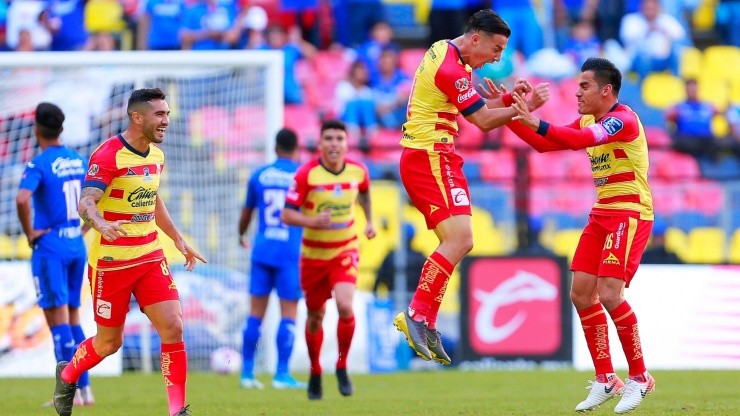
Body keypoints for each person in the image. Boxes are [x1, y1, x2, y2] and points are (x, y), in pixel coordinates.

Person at [393, 8, 548, 366]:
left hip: (437, 156)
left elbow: (475, 107)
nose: (498, 58)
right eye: (496, 49)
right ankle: (416, 315)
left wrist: (510, 100)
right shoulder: (451, 67)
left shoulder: (447, 54)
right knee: (459, 240)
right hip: (428, 157)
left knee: (459, 241)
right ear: (475, 38)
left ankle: (426, 319)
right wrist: (523, 108)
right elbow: (482, 121)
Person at [505, 57, 655, 414]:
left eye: (584, 86)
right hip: (602, 212)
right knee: (581, 293)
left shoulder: (624, 119)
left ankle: (640, 377)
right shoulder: (590, 119)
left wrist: (534, 119)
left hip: (629, 212)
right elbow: (547, 144)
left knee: (608, 293)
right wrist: (509, 116)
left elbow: (577, 139)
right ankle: (606, 378)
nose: (577, 92)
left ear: (607, 90)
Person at [52, 88, 206, 416]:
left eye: (167, 114)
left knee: (173, 327)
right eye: (160, 115)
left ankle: (178, 411)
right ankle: (67, 376)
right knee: (109, 343)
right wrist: (99, 221)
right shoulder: (108, 155)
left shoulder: (156, 156)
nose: (167, 120)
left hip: (150, 256)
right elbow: (87, 200)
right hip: (112, 264)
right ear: (137, 118)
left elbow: (153, 197)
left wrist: (177, 238)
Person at [281, 119, 376, 401]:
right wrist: (312, 220)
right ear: (320, 143)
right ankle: (314, 370)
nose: (334, 144)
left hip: (345, 250)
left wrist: (368, 221)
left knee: (346, 305)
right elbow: (287, 214)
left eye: (339, 139)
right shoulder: (306, 175)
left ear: (346, 143)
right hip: (313, 257)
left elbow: (365, 194)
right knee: (315, 317)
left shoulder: (359, 171)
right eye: (329, 139)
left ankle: (342, 366)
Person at [16, 103, 94, 406]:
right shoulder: (78, 159)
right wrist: (84, 228)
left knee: (57, 322)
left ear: (37, 129)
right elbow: (95, 196)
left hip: (50, 248)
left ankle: (68, 394)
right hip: (76, 245)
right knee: (74, 317)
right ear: (61, 128)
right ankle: (86, 392)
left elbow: (22, 199)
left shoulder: (39, 164)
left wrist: (30, 233)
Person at [237, 128, 306, 390]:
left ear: (276, 147)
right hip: (290, 252)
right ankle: (281, 374)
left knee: (256, 314)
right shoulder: (301, 176)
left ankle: (246, 374)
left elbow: (247, 213)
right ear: (296, 148)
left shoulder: (260, 175)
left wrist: (241, 235)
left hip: (263, 249)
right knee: (289, 314)